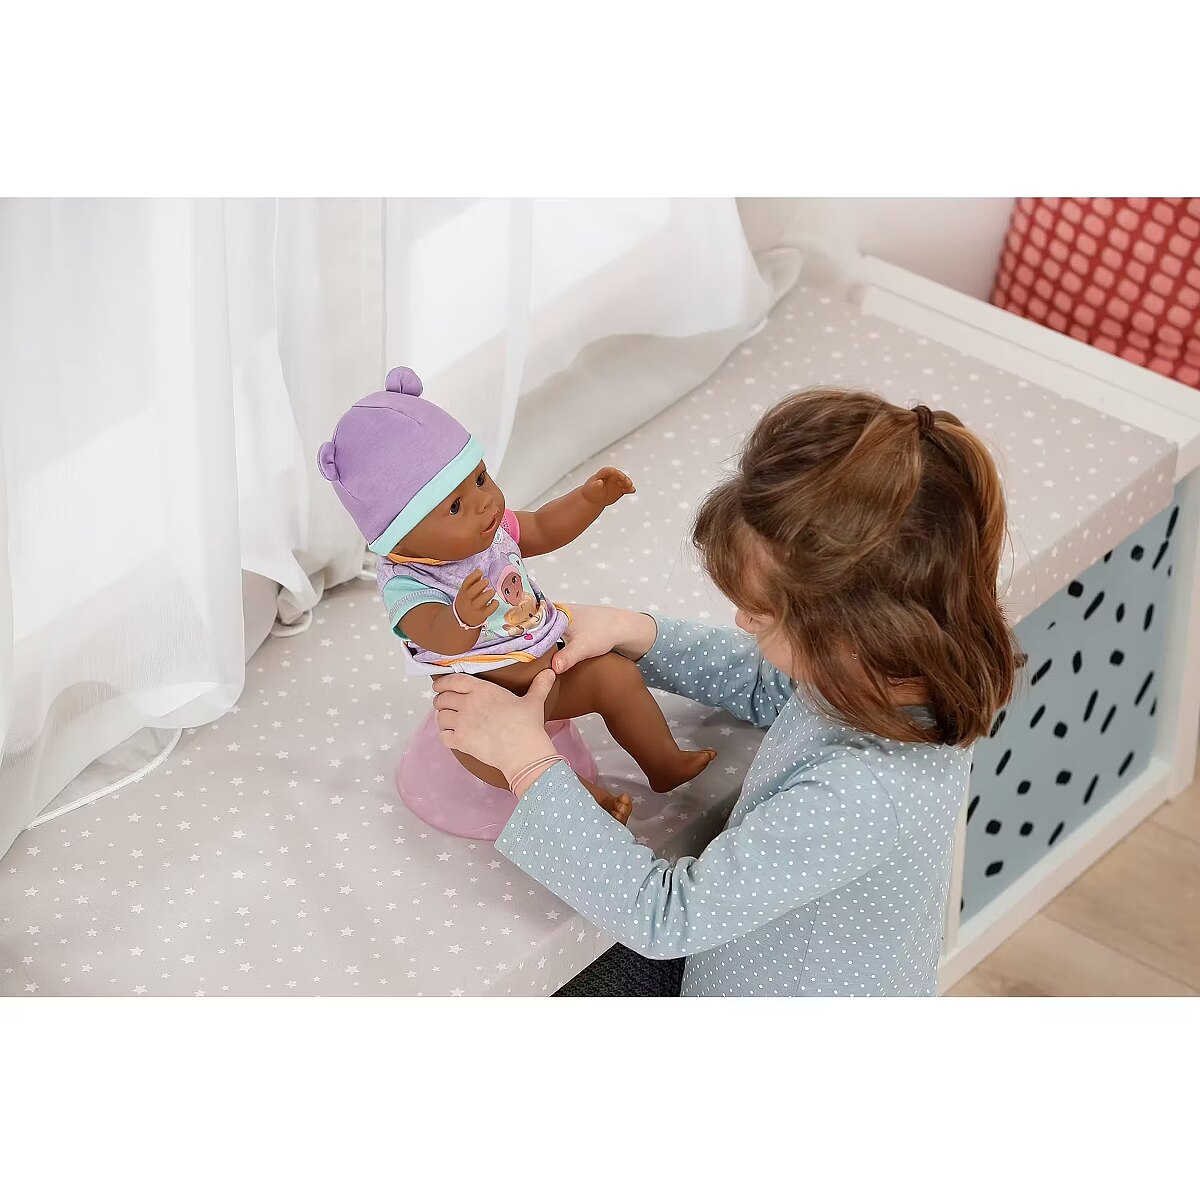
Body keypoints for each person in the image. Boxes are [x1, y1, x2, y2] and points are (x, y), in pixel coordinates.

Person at [432, 388, 1020, 996]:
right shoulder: (894, 675)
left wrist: (527, 763)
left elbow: (667, 916)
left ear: (852, 632)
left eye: (760, 616)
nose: (741, 621)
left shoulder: (860, 794)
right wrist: (636, 633)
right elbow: (779, 687)